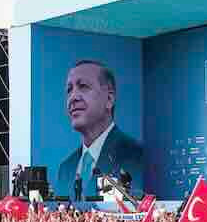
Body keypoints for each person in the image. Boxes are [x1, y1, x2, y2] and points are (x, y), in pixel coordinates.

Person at [57, 61, 143, 199]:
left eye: (83, 86)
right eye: (69, 90)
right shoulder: (66, 168)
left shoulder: (137, 156)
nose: (73, 97)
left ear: (109, 99)